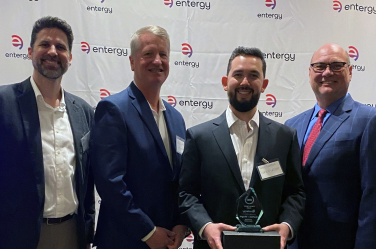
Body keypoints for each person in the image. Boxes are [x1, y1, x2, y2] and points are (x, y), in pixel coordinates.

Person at [0, 16, 95, 249]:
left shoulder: (83, 110)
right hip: (14, 237)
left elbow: (87, 180)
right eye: (45, 44)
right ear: (30, 52)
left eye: (61, 47)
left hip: (72, 234)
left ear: (70, 59)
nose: (53, 51)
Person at [178, 46, 305, 249]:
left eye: (253, 75)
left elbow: (295, 193)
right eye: (238, 74)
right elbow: (186, 194)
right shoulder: (199, 137)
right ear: (225, 82)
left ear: (264, 85)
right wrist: (205, 226)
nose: (245, 82)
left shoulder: (285, 137)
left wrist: (287, 226)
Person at [91, 25, 188, 249]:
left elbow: (181, 181)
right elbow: (110, 183)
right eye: (148, 54)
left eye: (163, 54)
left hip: (167, 241)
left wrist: (182, 225)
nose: (157, 60)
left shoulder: (177, 119)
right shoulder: (113, 109)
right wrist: (148, 231)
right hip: (125, 240)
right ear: (132, 61)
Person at [285, 43, 376, 249]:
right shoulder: (292, 126)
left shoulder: (369, 120)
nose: (327, 72)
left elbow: (372, 194)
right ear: (310, 73)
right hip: (294, 242)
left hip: (342, 241)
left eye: (336, 65)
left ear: (350, 72)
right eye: (319, 66)